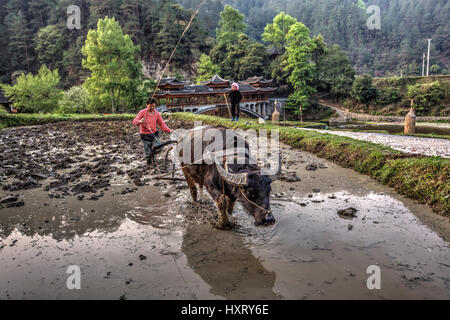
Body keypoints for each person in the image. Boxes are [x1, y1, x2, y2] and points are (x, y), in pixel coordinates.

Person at [133, 98, 172, 166]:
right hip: (145, 135)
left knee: (159, 147)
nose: (152, 107)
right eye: (151, 106)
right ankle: (149, 163)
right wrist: (140, 121)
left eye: (154, 106)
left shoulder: (156, 113)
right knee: (147, 152)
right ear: (147, 105)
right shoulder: (142, 112)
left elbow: (162, 124)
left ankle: (152, 157)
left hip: (154, 134)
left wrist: (169, 130)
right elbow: (134, 122)